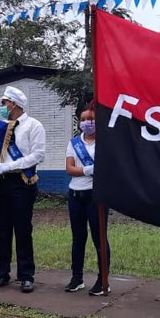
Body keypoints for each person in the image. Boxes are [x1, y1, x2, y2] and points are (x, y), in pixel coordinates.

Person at [0, 86, 45, 294]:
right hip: (2, 182)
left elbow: (37, 155)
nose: (2, 107)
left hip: (22, 182)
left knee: (22, 229)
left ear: (14, 104)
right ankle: (1, 273)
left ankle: (26, 275)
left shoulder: (33, 126)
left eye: (4, 103)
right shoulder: (2, 127)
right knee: (2, 230)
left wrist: (9, 166)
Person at [64, 106, 111, 296]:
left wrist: (84, 169)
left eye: (90, 119)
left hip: (96, 196)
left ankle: (103, 280)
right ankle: (77, 278)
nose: (86, 123)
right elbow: (69, 168)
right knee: (78, 238)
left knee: (99, 238)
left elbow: (107, 167)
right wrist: (87, 170)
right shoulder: (74, 143)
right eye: (83, 119)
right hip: (75, 195)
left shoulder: (105, 143)